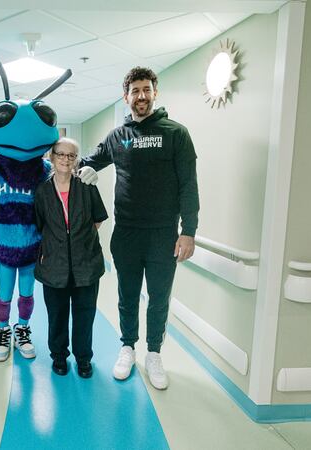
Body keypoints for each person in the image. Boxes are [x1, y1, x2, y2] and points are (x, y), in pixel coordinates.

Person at [80, 66, 199, 389]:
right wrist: (86, 171)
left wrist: (189, 231)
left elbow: (189, 185)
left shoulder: (176, 134)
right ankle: (127, 347)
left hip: (163, 234)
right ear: (126, 96)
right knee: (127, 294)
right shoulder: (118, 137)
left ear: (155, 93)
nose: (141, 96)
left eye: (146, 89)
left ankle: (154, 354)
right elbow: (84, 163)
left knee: (159, 297)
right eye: (135, 90)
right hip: (127, 233)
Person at [35, 138, 108, 378]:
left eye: (71, 155)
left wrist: (78, 242)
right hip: (54, 266)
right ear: (52, 157)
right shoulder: (43, 191)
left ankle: (83, 358)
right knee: (56, 316)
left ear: (76, 160)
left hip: (85, 264)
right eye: (61, 154)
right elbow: (40, 225)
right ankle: (58, 357)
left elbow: (97, 219)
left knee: (84, 314)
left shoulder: (86, 186)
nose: (66, 159)